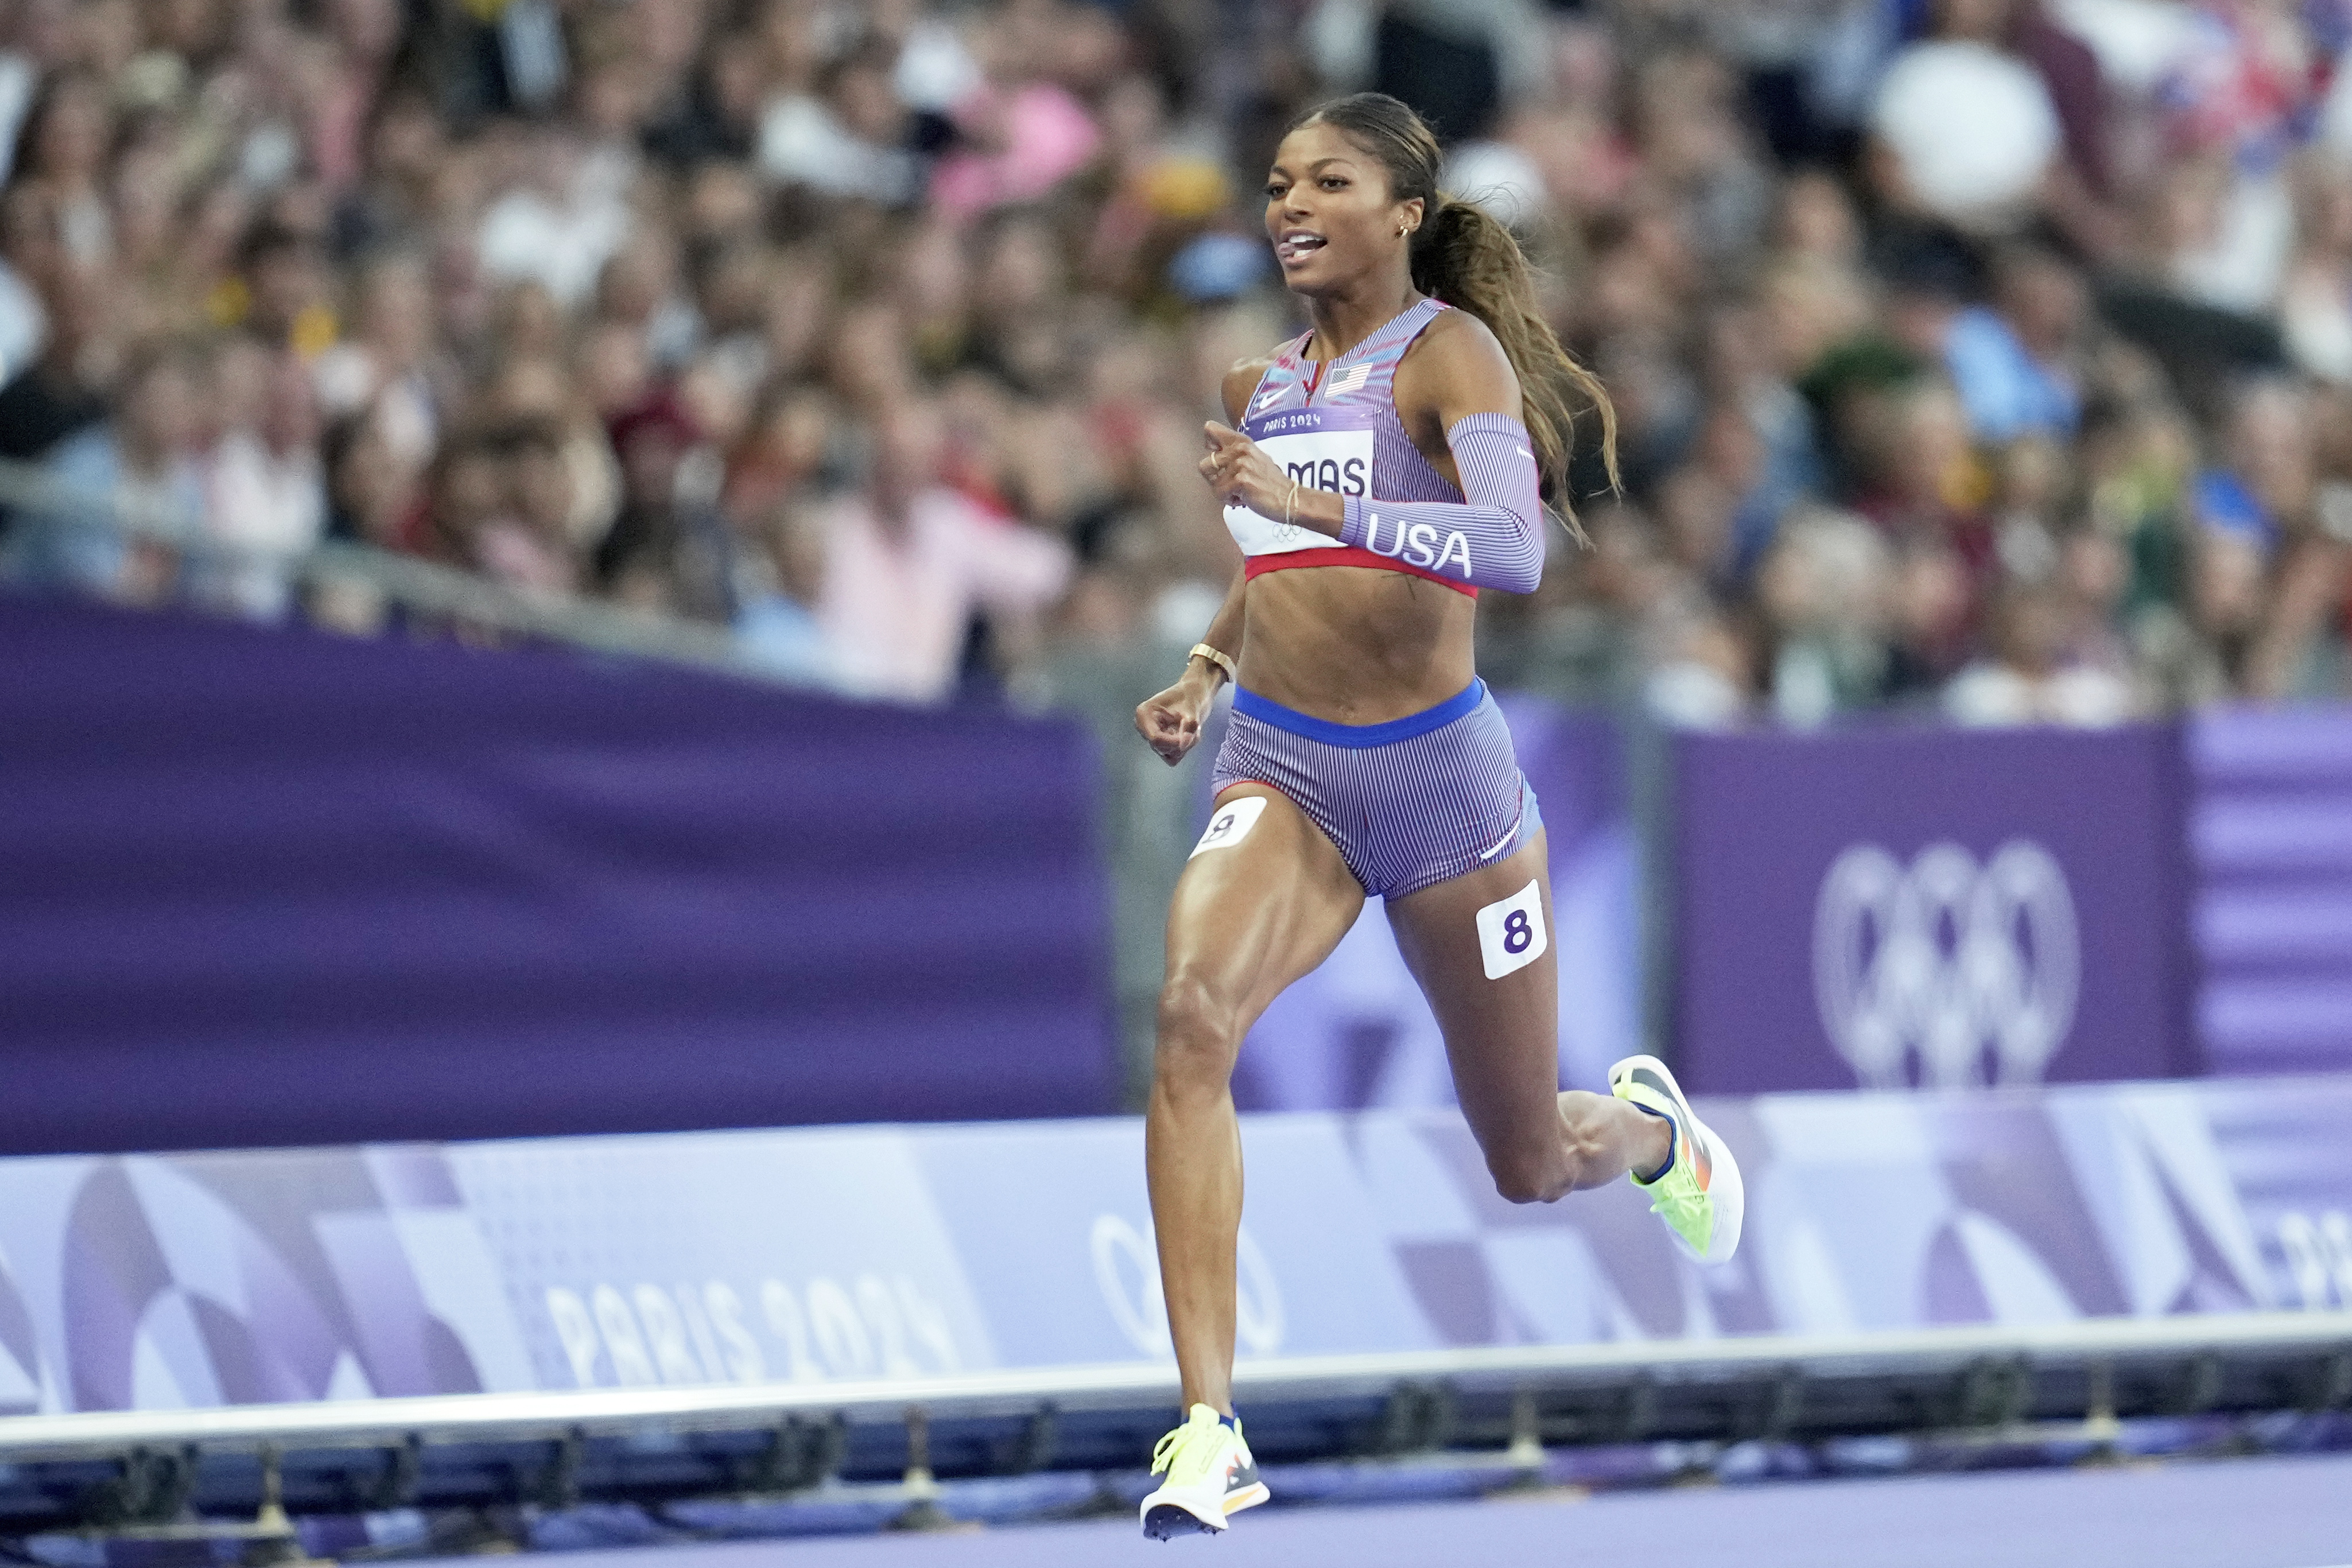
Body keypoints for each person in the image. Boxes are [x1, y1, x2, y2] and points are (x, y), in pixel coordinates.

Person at [1127, 93, 1747, 1540]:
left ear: (1403, 212)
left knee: (1530, 1162)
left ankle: (1653, 1141)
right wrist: (1211, 665)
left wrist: (1321, 507)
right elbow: (1274, 558)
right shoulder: (1256, 377)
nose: (1289, 205)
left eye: (1327, 183)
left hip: (1447, 794)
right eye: (1276, 181)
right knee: (1192, 1018)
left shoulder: (1449, 355)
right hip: (1282, 769)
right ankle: (1208, 1428)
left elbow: (1514, 550)